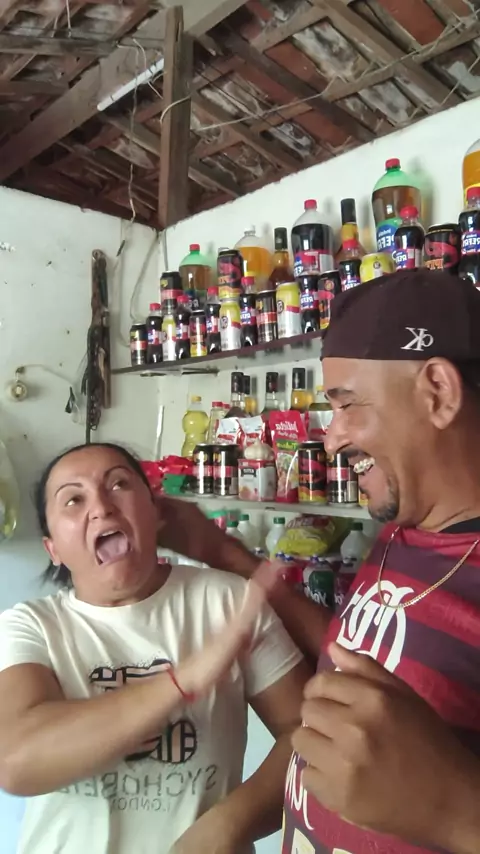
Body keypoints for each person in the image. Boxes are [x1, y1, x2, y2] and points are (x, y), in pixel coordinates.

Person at [0, 442, 311, 854]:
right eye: (73, 499)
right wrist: (184, 681)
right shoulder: (30, 627)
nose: (101, 507)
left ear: (155, 512)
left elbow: (308, 733)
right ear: (52, 548)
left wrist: (231, 824)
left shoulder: (229, 601)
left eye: (119, 484)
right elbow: (16, 761)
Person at [283, 271, 480, 853]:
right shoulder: (399, 534)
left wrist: (454, 808)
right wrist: (235, 819)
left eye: (347, 405)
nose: (331, 439)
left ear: (438, 392)